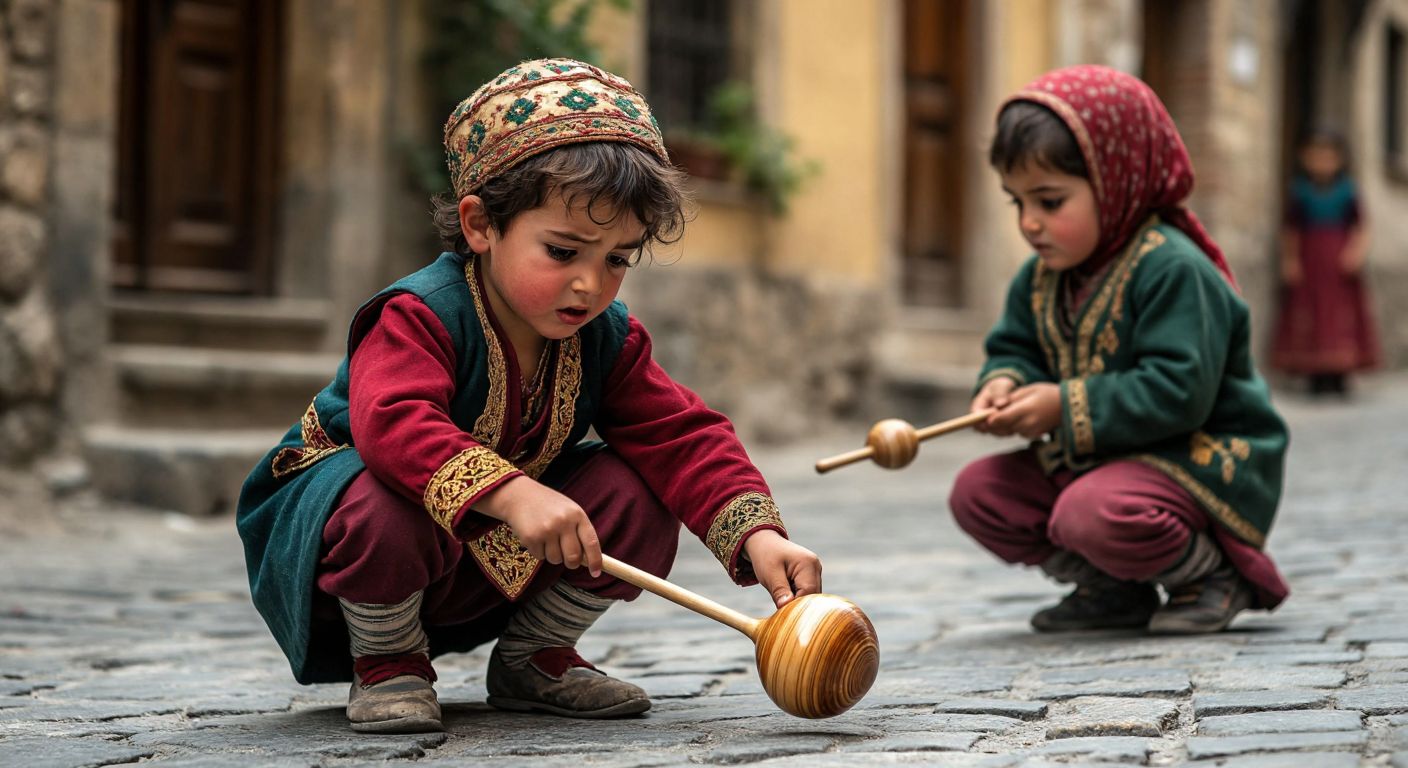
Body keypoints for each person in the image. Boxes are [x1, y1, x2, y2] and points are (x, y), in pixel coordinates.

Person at [235, 58, 822, 734]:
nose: (590, 285)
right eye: (563, 251)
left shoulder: (608, 339)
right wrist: (514, 494)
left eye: (617, 259)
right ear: (481, 225)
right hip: (352, 557)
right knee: (377, 498)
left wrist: (759, 535)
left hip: (479, 562)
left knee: (641, 488)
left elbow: (683, 437)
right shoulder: (419, 314)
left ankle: (534, 657)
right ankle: (390, 662)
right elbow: (391, 422)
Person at [947, 65, 1290, 636]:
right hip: (1098, 465)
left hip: (1191, 458)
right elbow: (1015, 346)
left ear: (1117, 179)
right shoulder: (1039, 278)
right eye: (1017, 202)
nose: (1030, 223)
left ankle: (1209, 576)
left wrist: (1062, 406)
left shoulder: (1174, 268)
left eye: (1050, 201)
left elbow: (1180, 392)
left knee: (1092, 513)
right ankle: (1112, 588)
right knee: (979, 494)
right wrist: (1003, 381)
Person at [1271, 129, 1381, 396]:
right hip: (1311, 259)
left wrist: (1356, 252)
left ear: (1340, 159)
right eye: (1316, 156)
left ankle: (1340, 374)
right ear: (1304, 158)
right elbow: (1291, 229)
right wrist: (1291, 260)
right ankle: (1315, 375)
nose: (1322, 162)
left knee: (1339, 313)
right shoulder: (1300, 191)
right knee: (1311, 311)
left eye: (1328, 156)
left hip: (1338, 259)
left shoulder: (1348, 191)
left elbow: (1361, 225)